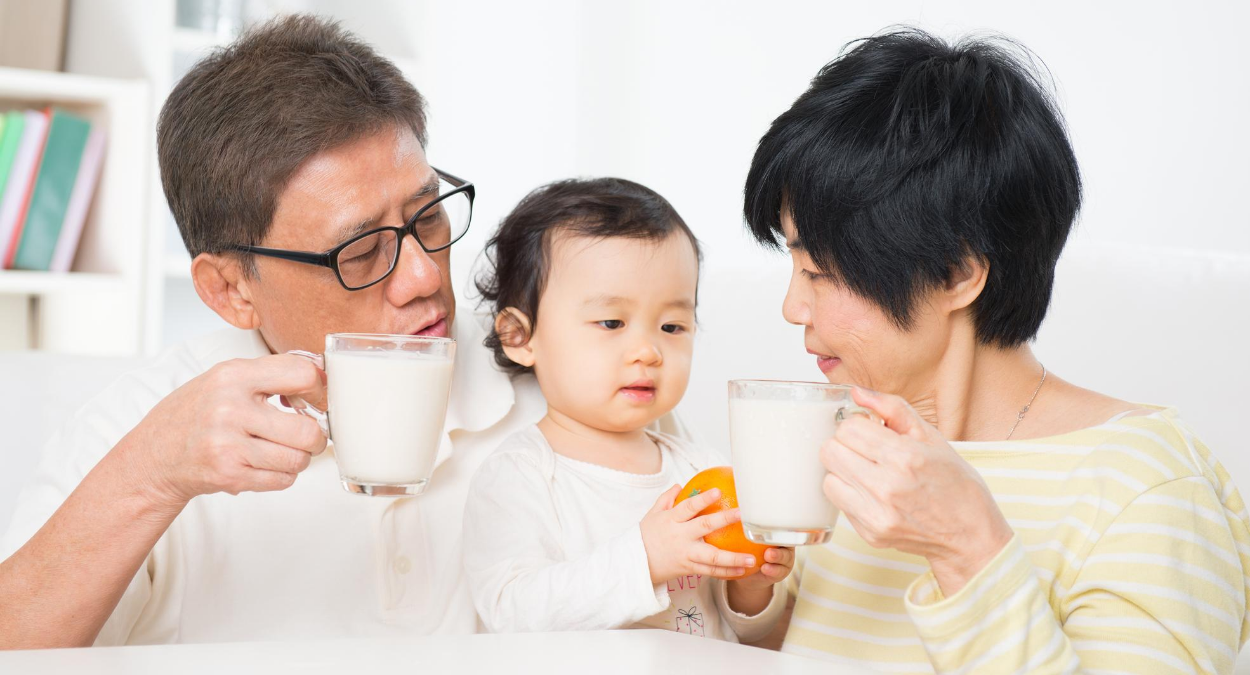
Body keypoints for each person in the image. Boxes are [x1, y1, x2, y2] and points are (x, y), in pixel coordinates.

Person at [0, 16, 693, 648]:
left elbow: (709, 613)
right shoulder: (150, 433)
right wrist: (149, 477)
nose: (423, 276)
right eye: (359, 252)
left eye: (428, 218)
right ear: (231, 290)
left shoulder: (571, 378)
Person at [740, 28, 1250, 673]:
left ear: (957, 274)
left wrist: (967, 548)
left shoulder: (1144, 484)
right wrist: (742, 590)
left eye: (819, 272)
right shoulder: (850, 444)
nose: (793, 309)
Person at [462, 178, 792, 640]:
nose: (648, 351)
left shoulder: (704, 471)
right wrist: (646, 558)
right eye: (612, 322)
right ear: (520, 336)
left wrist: (751, 587)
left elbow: (742, 635)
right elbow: (511, 611)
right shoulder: (520, 475)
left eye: (672, 326)